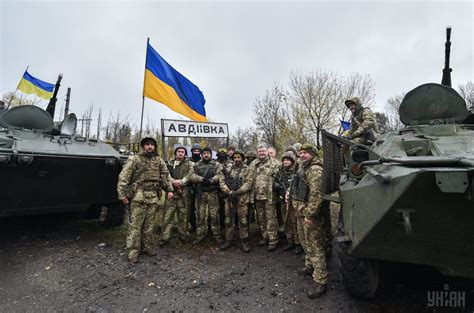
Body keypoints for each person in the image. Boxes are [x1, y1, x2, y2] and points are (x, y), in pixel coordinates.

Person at [117, 135, 173, 264]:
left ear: (155, 146)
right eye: (147, 144)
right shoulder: (134, 159)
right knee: (135, 226)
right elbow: (124, 177)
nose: (150, 146)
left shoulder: (158, 160)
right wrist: (122, 194)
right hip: (138, 196)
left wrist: (169, 190)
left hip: (153, 197)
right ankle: (133, 252)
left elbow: (165, 176)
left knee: (149, 226)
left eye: (152, 144)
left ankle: (147, 247)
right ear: (143, 146)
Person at [290, 143, 328, 298]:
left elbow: (316, 197)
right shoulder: (304, 168)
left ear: (313, 154)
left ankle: (321, 280)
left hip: (309, 214)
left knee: (315, 245)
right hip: (300, 211)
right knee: (305, 242)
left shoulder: (316, 170)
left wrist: (309, 215)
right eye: (300, 153)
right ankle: (309, 265)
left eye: (306, 153)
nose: (302, 155)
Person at [248, 143, 280, 251]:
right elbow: (248, 177)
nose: (261, 153)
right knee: (261, 219)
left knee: (271, 219)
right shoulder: (253, 164)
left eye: (263, 151)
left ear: (267, 152)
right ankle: (264, 236)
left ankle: (273, 240)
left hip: (269, 196)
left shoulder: (275, 163)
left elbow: (280, 178)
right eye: (260, 151)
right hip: (257, 196)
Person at [219, 150, 252, 252]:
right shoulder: (228, 168)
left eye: (239, 157)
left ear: (242, 158)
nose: (237, 159)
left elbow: (249, 183)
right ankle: (229, 240)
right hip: (229, 199)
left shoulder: (247, 169)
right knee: (228, 220)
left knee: (243, 221)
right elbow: (221, 181)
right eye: (235, 157)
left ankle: (244, 241)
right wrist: (229, 192)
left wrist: (237, 192)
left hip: (241, 199)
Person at [159, 144, 193, 246]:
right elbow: (165, 175)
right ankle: (165, 237)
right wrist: (173, 181)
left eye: (182, 152)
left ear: (185, 154)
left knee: (183, 216)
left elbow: (190, 175)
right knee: (168, 216)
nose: (180, 153)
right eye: (179, 151)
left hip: (184, 194)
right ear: (175, 153)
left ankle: (183, 235)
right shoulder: (169, 163)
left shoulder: (189, 164)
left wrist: (181, 182)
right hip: (171, 193)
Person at [189, 147, 224, 245]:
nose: (206, 155)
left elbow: (220, 175)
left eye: (208, 153)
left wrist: (211, 180)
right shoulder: (196, 165)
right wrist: (201, 179)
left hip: (212, 193)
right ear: (201, 154)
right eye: (204, 153)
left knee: (214, 216)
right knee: (200, 216)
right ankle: (200, 236)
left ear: (211, 154)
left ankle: (217, 236)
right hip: (201, 194)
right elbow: (191, 176)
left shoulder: (217, 164)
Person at [274, 152, 299, 252]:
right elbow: (274, 180)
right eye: (284, 160)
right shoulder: (280, 171)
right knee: (286, 221)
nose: (286, 162)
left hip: (293, 201)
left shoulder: (296, 171)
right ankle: (290, 241)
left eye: (288, 160)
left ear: (292, 161)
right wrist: (276, 185)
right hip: (283, 200)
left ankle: (298, 243)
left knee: (295, 222)